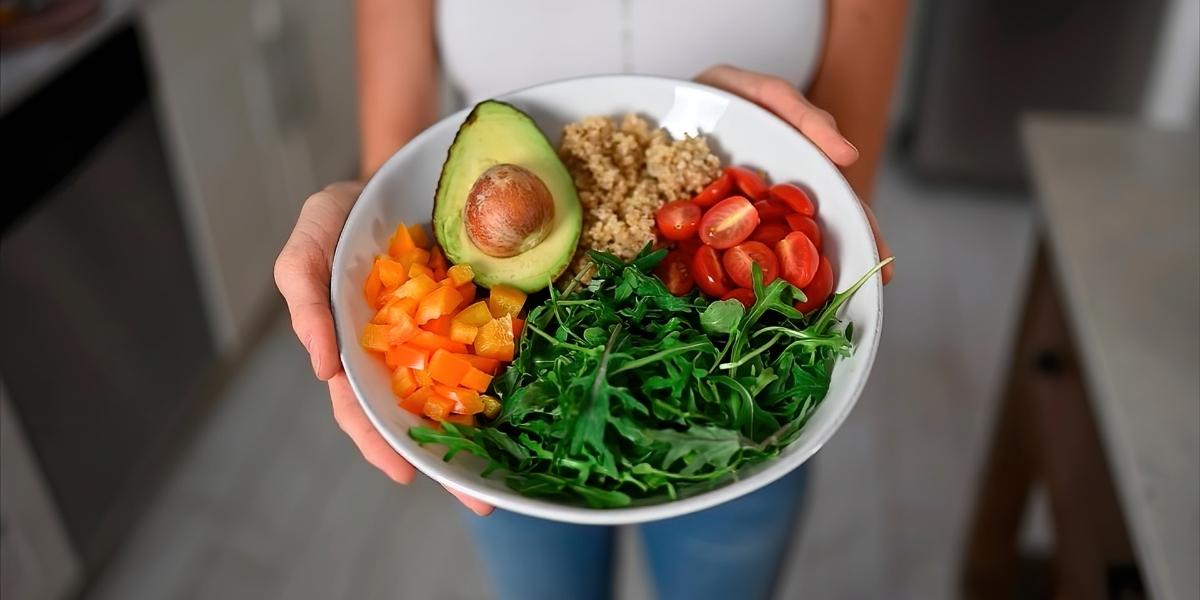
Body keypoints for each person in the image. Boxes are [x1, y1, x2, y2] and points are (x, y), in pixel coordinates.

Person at [274, 2, 904, 598]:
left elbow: (838, 185)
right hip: (520, 433)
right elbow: (395, 165)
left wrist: (746, 132)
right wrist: (366, 216)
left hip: (746, 431)